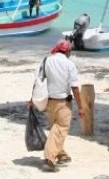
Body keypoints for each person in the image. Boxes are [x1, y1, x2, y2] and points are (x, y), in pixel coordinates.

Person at [29, 40, 83, 172]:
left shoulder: (46, 61)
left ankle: (62, 155)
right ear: (67, 51)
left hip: (49, 102)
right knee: (61, 128)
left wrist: (32, 99)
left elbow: (38, 82)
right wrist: (81, 106)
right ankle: (50, 157)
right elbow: (75, 87)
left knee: (55, 129)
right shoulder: (69, 64)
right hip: (63, 102)